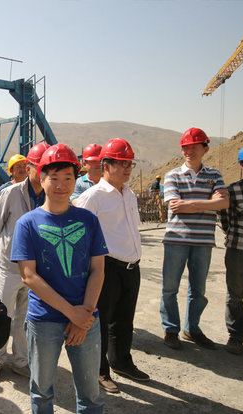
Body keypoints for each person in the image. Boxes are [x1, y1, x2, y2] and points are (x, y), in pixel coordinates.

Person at [11, 143, 107, 414]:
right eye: (54, 178)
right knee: (41, 391)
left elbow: (98, 269)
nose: (61, 185)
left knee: (90, 395)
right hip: (44, 321)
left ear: (76, 180)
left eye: (68, 178)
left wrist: (83, 314)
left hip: (86, 317)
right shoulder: (27, 223)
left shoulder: (89, 220)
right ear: (42, 179)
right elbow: (28, 276)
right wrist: (71, 313)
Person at [77, 138, 149, 394]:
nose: (127, 168)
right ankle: (100, 370)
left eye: (130, 163)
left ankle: (122, 362)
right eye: (121, 163)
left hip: (132, 266)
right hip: (108, 268)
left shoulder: (128, 193)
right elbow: (79, 235)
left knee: (124, 320)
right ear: (105, 165)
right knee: (101, 321)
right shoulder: (92, 197)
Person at [160, 127, 229, 350]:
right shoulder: (172, 175)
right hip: (176, 239)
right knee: (170, 287)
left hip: (203, 241)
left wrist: (190, 204)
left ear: (204, 148)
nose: (189, 151)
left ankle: (193, 329)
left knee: (198, 289)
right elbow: (174, 206)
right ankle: (171, 330)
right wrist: (209, 203)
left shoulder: (215, 175)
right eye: (185, 147)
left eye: (194, 146)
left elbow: (224, 204)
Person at [0, 142, 48, 382]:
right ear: (30, 166)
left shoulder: (49, 194)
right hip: (9, 267)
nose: (43, 174)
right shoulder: (11, 193)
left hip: (35, 270)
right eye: (39, 167)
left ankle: (21, 360)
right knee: (1, 314)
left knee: (24, 317)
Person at [218, 145, 243, 355]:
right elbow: (225, 219)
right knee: (235, 294)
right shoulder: (234, 190)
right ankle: (236, 336)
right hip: (239, 249)